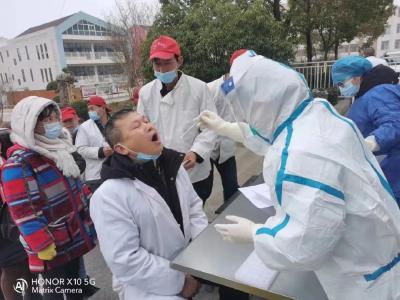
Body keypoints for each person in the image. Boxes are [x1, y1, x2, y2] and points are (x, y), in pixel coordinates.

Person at [197, 50, 400, 299]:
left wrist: (256, 234)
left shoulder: (300, 155)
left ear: (259, 104)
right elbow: (275, 135)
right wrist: (224, 127)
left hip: (366, 282)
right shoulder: (315, 111)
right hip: (380, 246)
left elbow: (306, 244)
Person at [90, 109, 208, 300]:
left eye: (146, 121)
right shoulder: (109, 195)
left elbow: (194, 208)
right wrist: (181, 281)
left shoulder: (173, 168)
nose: (149, 126)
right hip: (147, 288)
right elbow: (125, 259)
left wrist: (199, 254)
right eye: (137, 126)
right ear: (121, 149)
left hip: (188, 265)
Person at [1, 97, 96, 300]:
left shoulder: (59, 150)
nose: (54, 123)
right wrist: (41, 244)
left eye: (55, 117)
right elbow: (23, 211)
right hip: (51, 245)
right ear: (28, 124)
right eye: (46, 119)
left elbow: (77, 186)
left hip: (73, 233)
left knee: (75, 288)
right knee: (55, 292)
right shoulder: (18, 164)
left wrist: (94, 214)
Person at [137, 35, 217, 203]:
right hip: (163, 168)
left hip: (194, 169)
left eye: (167, 63)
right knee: (174, 216)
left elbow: (211, 127)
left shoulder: (199, 88)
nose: (162, 69)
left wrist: (196, 152)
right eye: (157, 64)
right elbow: (142, 129)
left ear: (179, 61)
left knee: (196, 210)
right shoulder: (145, 93)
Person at [331, 55, 400, 207]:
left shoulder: (379, 93)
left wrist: (370, 142)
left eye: (341, 83)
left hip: (392, 170)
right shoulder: (365, 95)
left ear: (356, 78)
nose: (340, 88)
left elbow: (394, 123)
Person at [206, 50, 246, 202]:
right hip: (207, 147)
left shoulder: (243, 89)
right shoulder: (209, 88)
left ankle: (229, 216)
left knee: (232, 187)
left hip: (227, 147)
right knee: (203, 189)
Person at [75, 96, 113, 192]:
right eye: (88, 109)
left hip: (116, 171)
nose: (89, 112)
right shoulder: (84, 127)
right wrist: (101, 152)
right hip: (96, 177)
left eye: (92, 108)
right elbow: (80, 149)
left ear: (103, 108)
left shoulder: (116, 123)